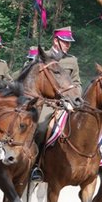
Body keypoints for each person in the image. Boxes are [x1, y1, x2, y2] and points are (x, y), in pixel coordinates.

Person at [31, 27, 82, 182]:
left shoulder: (72, 61)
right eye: (65, 42)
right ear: (55, 41)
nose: (68, 45)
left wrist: (75, 96)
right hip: (47, 102)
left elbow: (77, 83)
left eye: (69, 43)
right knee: (40, 128)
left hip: (67, 102)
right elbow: (31, 81)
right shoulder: (42, 57)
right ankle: (35, 165)